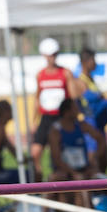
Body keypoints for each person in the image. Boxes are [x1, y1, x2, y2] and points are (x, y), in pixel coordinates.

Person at [46, 99, 106, 212]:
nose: (78, 111)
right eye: (75, 108)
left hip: (83, 168)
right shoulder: (56, 130)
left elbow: (100, 139)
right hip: (64, 170)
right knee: (52, 180)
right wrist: (71, 172)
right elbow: (56, 158)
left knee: (83, 178)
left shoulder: (81, 125)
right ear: (67, 111)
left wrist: (94, 158)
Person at [32, 38, 78, 182]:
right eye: (50, 55)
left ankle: (56, 182)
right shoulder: (40, 75)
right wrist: (34, 121)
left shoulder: (65, 73)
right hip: (46, 117)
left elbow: (73, 98)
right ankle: (37, 183)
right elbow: (37, 97)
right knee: (35, 152)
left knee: (56, 153)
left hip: (60, 118)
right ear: (44, 55)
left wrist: (74, 117)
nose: (52, 58)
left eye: (55, 54)